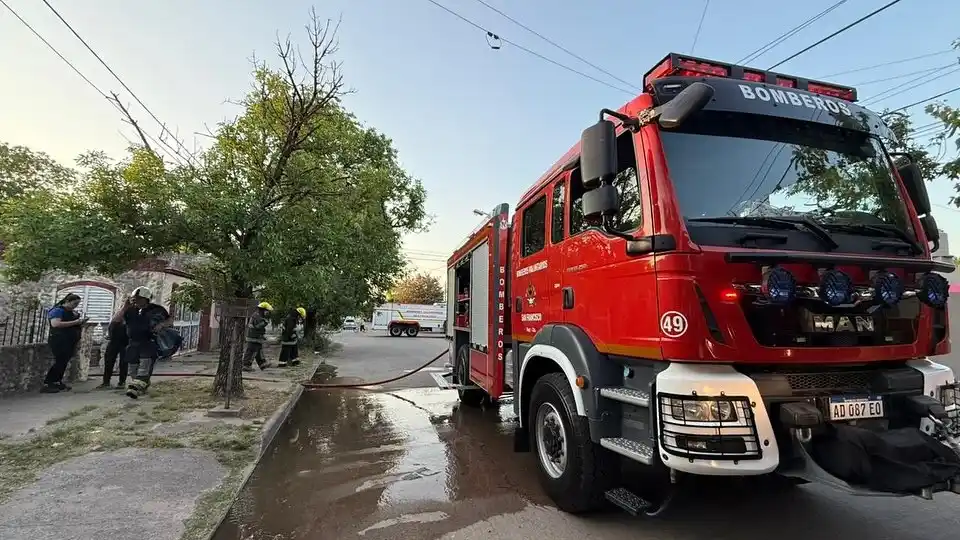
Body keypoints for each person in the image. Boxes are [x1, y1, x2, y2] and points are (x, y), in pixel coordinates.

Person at [117, 286, 172, 399]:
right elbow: (118, 320)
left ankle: (135, 389)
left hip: (148, 342)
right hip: (133, 343)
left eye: (138, 298)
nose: (135, 300)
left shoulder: (157, 309)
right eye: (134, 298)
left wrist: (161, 325)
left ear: (145, 298)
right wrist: (124, 307)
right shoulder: (130, 310)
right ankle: (141, 385)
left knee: (144, 366)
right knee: (132, 369)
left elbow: (169, 320)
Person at [41, 293, 88, 393]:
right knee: (60, 361)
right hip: (59, 340)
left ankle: (57, 381)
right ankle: (48, 383)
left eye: (77, 304)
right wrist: (76, 322)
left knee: (64, 362)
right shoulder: (57, 311)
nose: (75, 306)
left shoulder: (71, 312)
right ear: (67, 301)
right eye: (74, 303)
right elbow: (56, 324)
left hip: (68, 340)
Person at [97, 312, 130, 390]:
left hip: (125, 344)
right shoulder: (114, 322)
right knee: (108, 362)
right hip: (113, 343)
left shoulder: (129, 323)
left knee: (124, 363)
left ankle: (122, 382)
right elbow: (110, 332)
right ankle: (106, 382)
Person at [243, 301, 274, 372]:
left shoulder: (258, 315)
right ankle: (246, 365)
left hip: (256, 337)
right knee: (252, 351)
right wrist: (265, 322)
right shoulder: (257, 316)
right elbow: (258, 326)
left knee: (259, 351)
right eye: (267, 311)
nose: (268, 313)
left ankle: (262, 364)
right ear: (263, 310)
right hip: (253, 338)